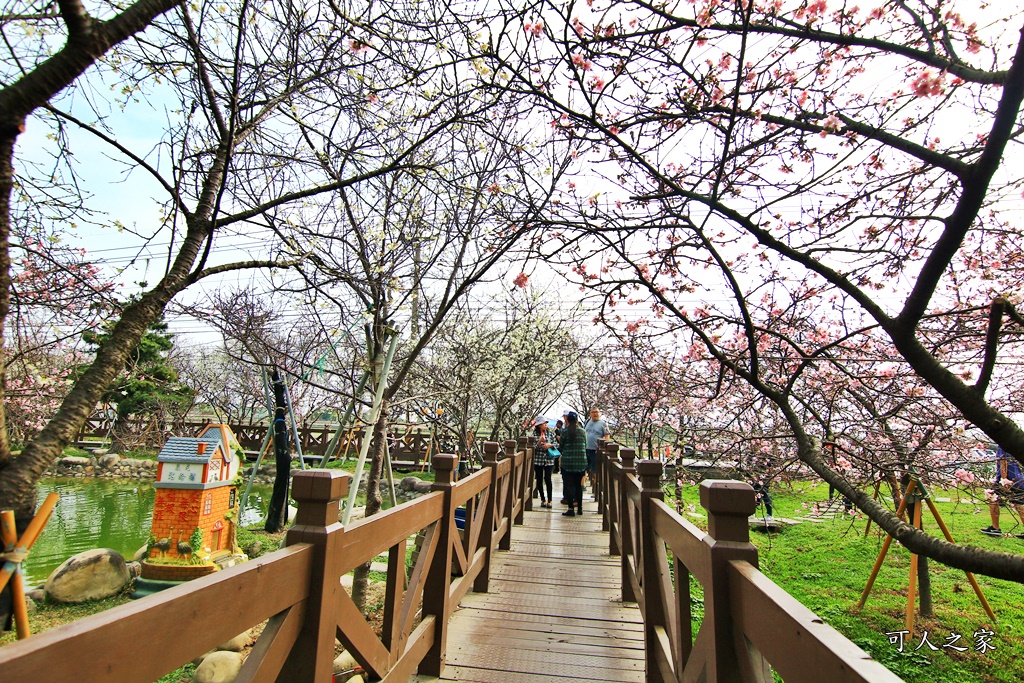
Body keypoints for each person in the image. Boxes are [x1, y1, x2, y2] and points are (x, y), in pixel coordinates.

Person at [981, 446, 1024, 537]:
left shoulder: (1003, 445)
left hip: (1007, 479)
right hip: (1017, 478)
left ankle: (995, 528)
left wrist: (1004, 480)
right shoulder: (1013, 444)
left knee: (992, 497)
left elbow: (1003, 462)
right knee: (1018, 502)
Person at [559, 411, 588, 516]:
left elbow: (561, 447)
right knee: (578, 486)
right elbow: (585, 445)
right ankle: (580, 508)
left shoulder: (565, 432)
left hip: (567, 463)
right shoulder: (583, 432)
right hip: (580, 463)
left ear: (567, 420)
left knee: (569, 486)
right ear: (576, 420)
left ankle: (571, 509)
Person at [533, 417, 557, 509]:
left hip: (549, 459)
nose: (545, 425)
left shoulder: (550, 433)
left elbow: (556, 444)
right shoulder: (534, 434)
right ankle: (542, 499)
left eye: (546, 423)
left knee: (548, 479)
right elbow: (533, 448)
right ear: (539, 425)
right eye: (544, 424)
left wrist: (550, 445)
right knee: (539, 480)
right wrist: (539, 442)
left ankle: (550, 500)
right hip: (538, 459)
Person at [584, 407, 609, 487]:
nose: (595, 414)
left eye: (597, 412)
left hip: (596, 450)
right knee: (584, 468)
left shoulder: (603, 424)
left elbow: (607, 436)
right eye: (593, 412)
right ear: (590, 414)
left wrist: (605, 447)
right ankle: (582, 486)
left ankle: (597, 488)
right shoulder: (587, 422)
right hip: (586, 449)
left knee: (595, 470)